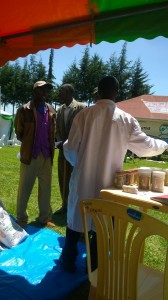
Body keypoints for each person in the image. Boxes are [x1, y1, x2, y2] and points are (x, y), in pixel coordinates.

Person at [60, 76, 168, 273]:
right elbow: (145, 147)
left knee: (76, 218)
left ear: (98, 92)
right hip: (109, 184)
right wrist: (164, 145)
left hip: (83, 179)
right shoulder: (126, 119)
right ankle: (93, 268)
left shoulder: (84, 115)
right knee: (102, 225)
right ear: (117, 93)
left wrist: (82, 164)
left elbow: (70, 148)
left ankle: (68, 261)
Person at [14, 81, 57, 228]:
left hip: (46, 155)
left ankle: (44, 217)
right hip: (30, 155)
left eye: (47, 90)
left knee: (46, 188)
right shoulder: (24, 110)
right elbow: (19, 132)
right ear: (35, 91)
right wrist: (29, 144)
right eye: (42, 89)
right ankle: (21, 218)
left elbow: (52, 133)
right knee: (25, 187)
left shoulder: (51, 110)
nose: (45, 92)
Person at [54, 84, 86, 215]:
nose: (59, 94)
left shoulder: (81, 107)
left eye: (61, 91)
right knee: (62, 178)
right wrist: (59, 142)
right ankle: (64, 206)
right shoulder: (60, 109)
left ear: (68, 93)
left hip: (76, 151)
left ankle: (75, 207)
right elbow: (57, 128)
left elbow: (84, 128)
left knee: (75, 179)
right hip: (62, 150)